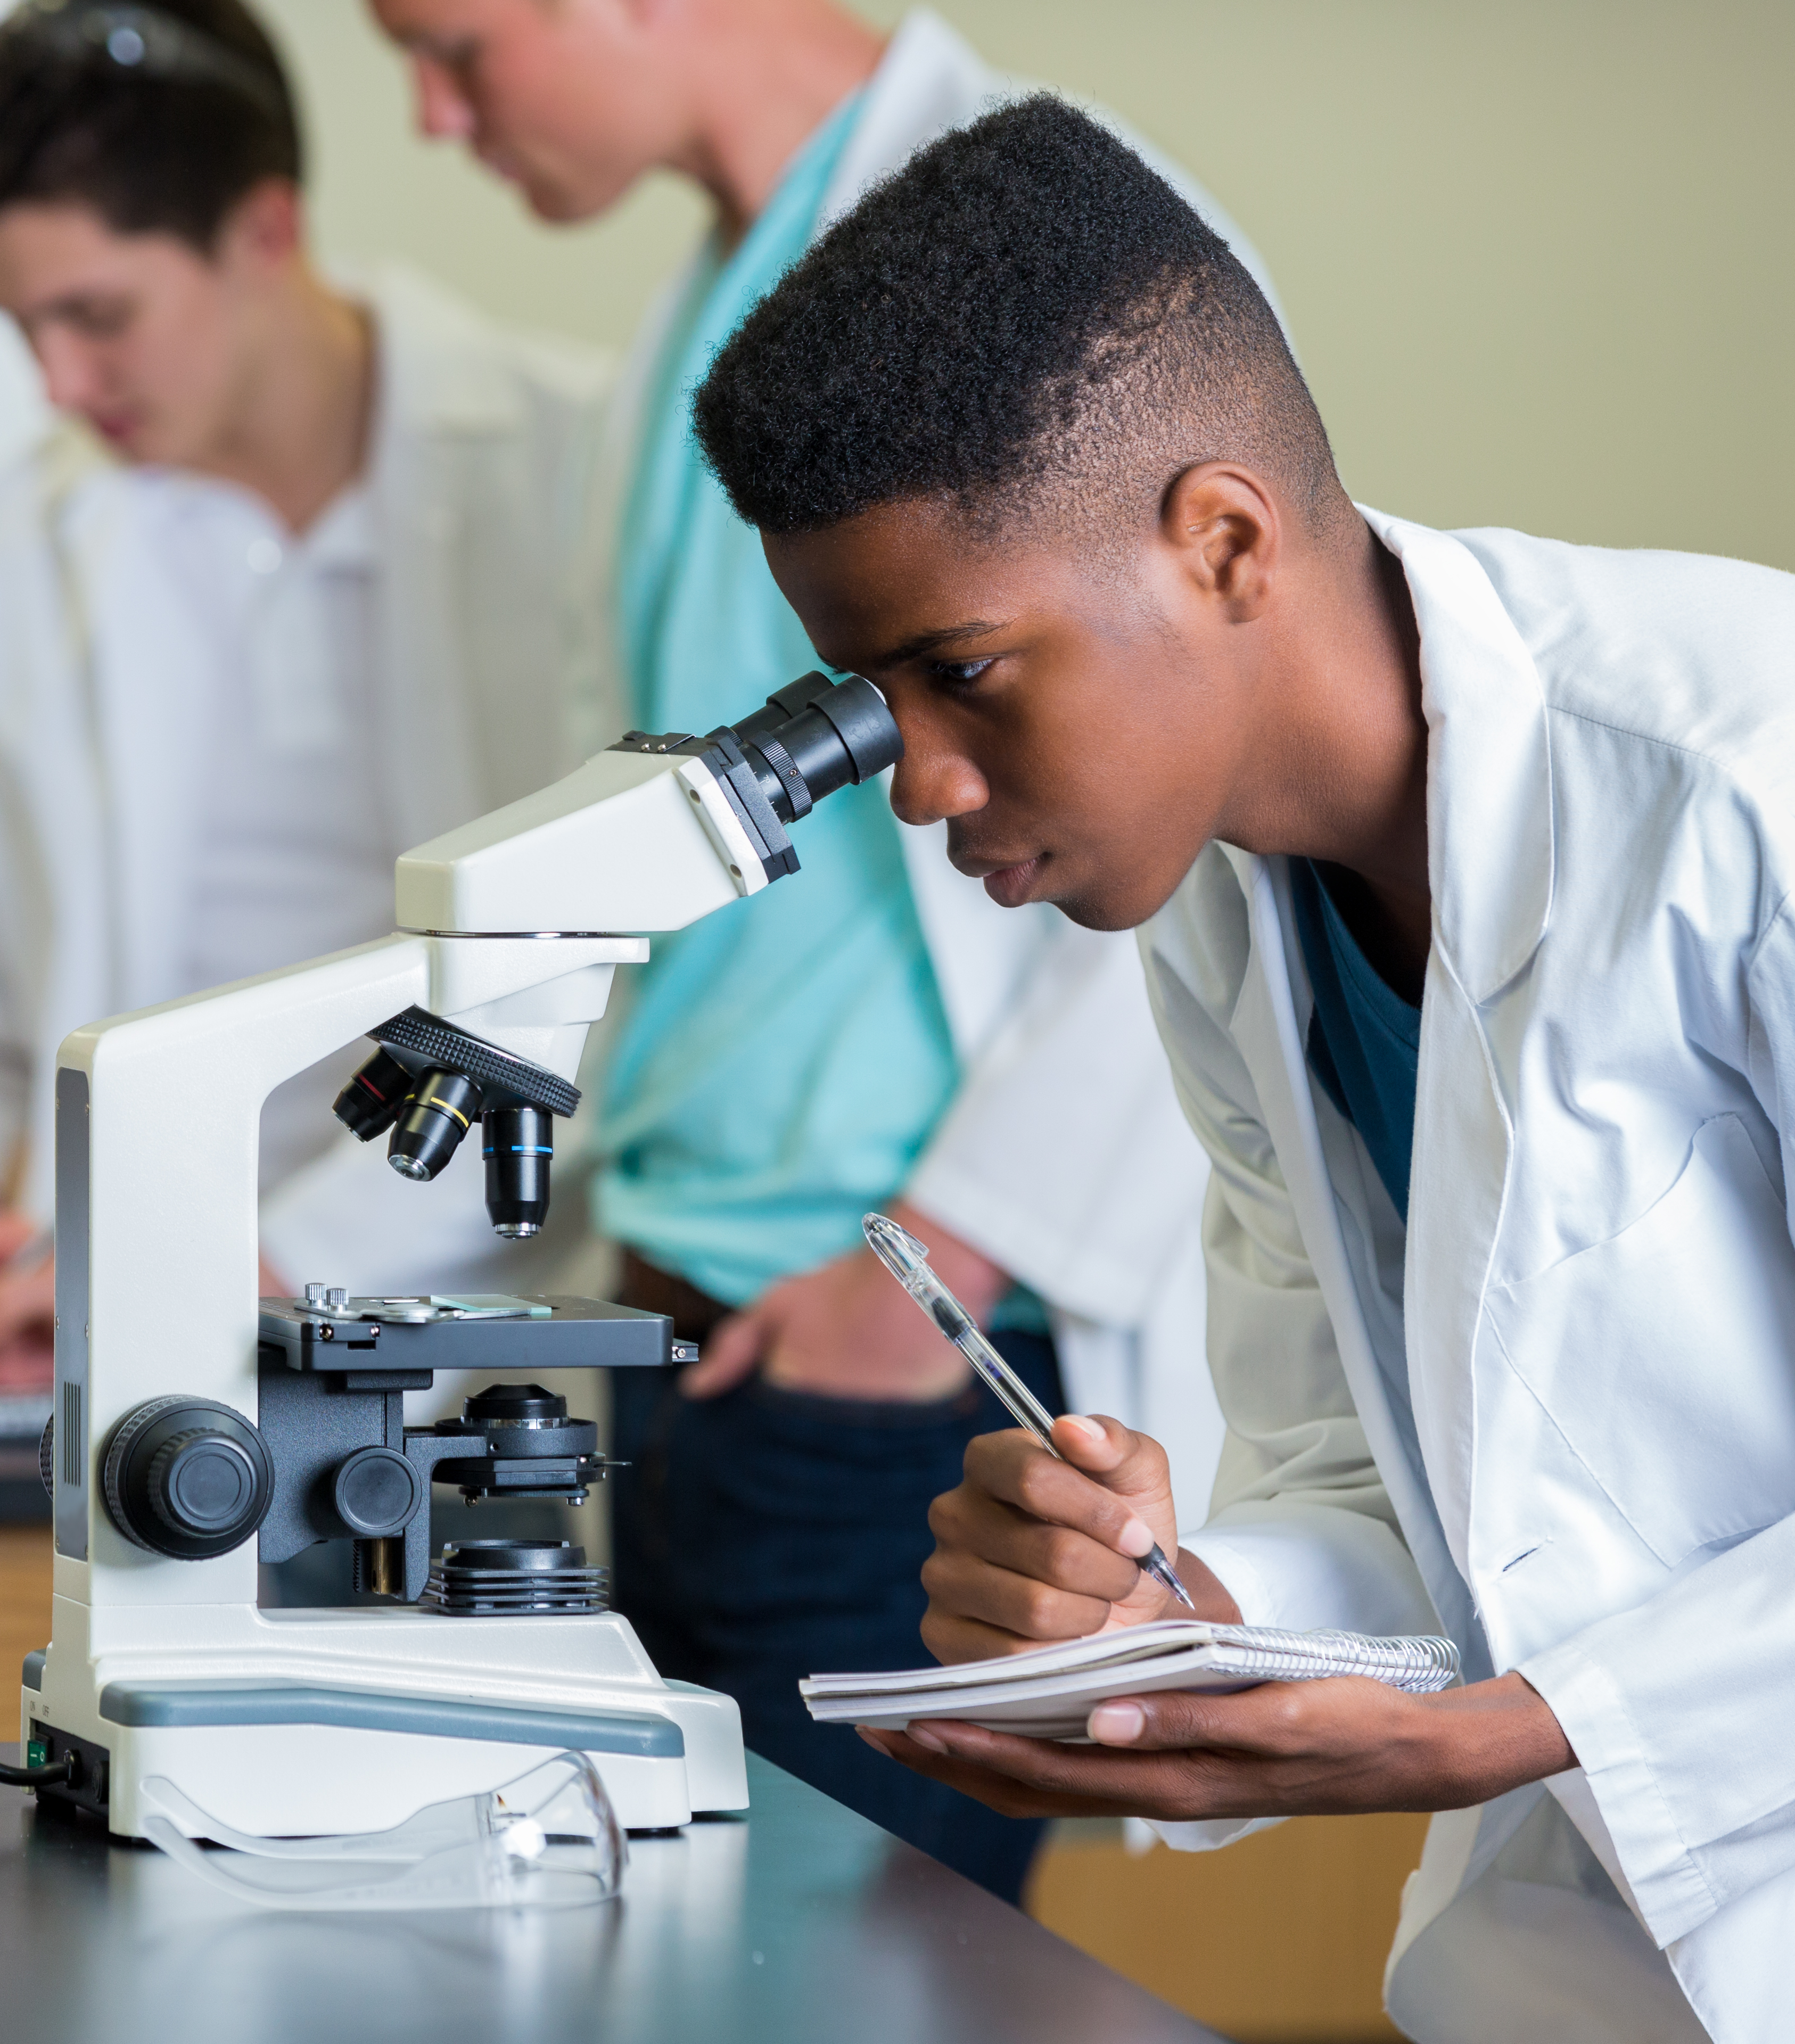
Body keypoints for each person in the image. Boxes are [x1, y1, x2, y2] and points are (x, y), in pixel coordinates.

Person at [688, 94, 1795, 2041]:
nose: (924, 787)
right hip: (1583, 1974)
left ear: (1221, 542)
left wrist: (1488, 1738)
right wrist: (1170, 1613)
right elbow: (1382, 1492)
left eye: (967, 672)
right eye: (878, 706)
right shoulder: (1232, 912)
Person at [365, 0, 1248, 1895]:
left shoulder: (1047, 234)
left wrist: (928, 1268)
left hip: (897, 1359)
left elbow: (1187, 770)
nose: (437, 119)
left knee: (837, 1986)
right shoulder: (690, 345)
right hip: (676, 1331)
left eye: (449, 46)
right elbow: (626, 885)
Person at [0, 0, 615, 1381]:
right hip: (121, 1348)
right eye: (21, 325)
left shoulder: (583, 476)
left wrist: (283, 1265)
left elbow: (609, 968)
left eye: (98, 315)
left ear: (266, 231)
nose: (58, 382)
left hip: (501, 1338)